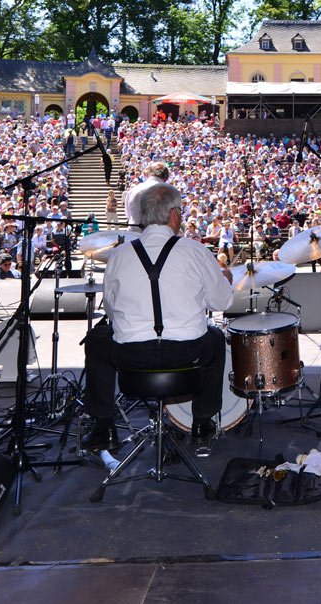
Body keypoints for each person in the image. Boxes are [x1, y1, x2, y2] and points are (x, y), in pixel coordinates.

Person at [81, 182, 232, 452]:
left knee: (96, 340)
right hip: (187, 353)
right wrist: (224, 281)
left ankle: (103, 427)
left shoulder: (118, 255)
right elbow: (221, 301)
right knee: (216, 338)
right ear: (174, 215)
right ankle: (201, 422)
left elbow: (112, 312)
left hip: (132, 356)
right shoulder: (197, 252)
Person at [124, 161, 169, 227]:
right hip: (156, 233)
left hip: (135, 232)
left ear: (147, 175)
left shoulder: (133, 190)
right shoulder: (170, 192)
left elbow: (128, 214)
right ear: (167, 178)